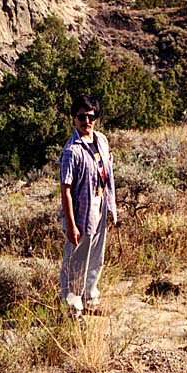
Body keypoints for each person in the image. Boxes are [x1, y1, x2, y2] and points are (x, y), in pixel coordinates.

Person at [59, 95, 117, 318]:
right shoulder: (72, 151)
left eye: (91, 116)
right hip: (82, 210)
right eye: (82, 117)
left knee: (95, 257)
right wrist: (71, 225)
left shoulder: (101, 140)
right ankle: (73, 309)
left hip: (100, 204)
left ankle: (90, 300)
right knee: (76, 261)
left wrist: (110, 207)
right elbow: (65, 190)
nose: (87, 121)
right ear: (74, 119)